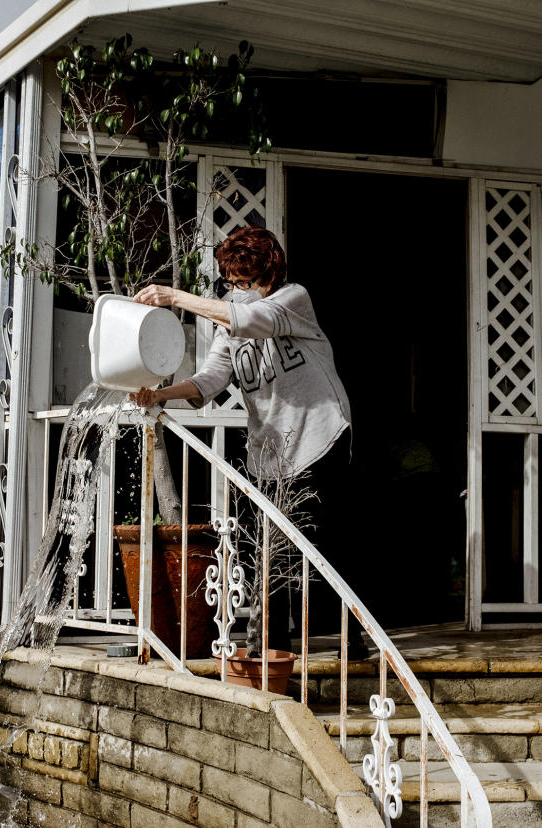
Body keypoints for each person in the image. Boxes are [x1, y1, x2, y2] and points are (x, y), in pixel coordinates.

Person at [130, 225, 366, 658]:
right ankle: (271, 653)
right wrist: (159, 394)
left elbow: (255, 319)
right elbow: (211, 380)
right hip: (271, 453)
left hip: (319, 436)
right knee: (268, 552)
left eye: (247, 282)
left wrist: (176, 297)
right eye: (232, 283)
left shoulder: (293, 299)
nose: (239, 291)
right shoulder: (228, 327)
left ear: (268, 273)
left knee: (324, 544)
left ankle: (354, 641)